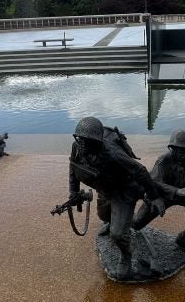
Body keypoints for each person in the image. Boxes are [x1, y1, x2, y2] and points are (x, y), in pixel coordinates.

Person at [68, 116, 165, 278]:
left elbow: (140, 170)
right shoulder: (77, 147)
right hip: (104, 187)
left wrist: (154, 196)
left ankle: (126, 256)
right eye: (81, 139)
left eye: (87, 140)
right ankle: (114, 221)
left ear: (97, 141)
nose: (83, 143)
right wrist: (74, 191)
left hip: (124, 190)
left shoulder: (113, 154)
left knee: (118, 234)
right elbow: (73, 166)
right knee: (104, 216)